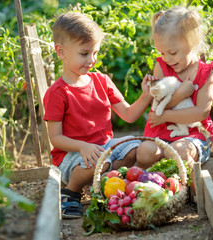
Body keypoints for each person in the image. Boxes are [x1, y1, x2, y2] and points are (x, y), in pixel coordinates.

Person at [43, 12, 154, 219]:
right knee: (97, 161)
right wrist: (82, 146)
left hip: (104, 148)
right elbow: (55, 138)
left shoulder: (101, 81)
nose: (92, 60)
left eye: (95, 53)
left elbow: (129, 115)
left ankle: (106, 184)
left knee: (135, 149)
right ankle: (70, 192)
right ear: (61, 52)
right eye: (84, 54)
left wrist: (146, 96)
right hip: (72, 155)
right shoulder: (58, 93)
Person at [136, 6, 213, 196]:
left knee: (178, 151)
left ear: (193, 41)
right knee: (143, 151)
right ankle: (149, 183)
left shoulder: (206, 72)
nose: (167, 58)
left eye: (173, 53)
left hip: (193, 136)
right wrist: (181, 94)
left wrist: (166, 115)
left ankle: (195, 191)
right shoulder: (161, 66)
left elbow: (201, 113)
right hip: (162, 133)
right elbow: (157, 106)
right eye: (162, 53)